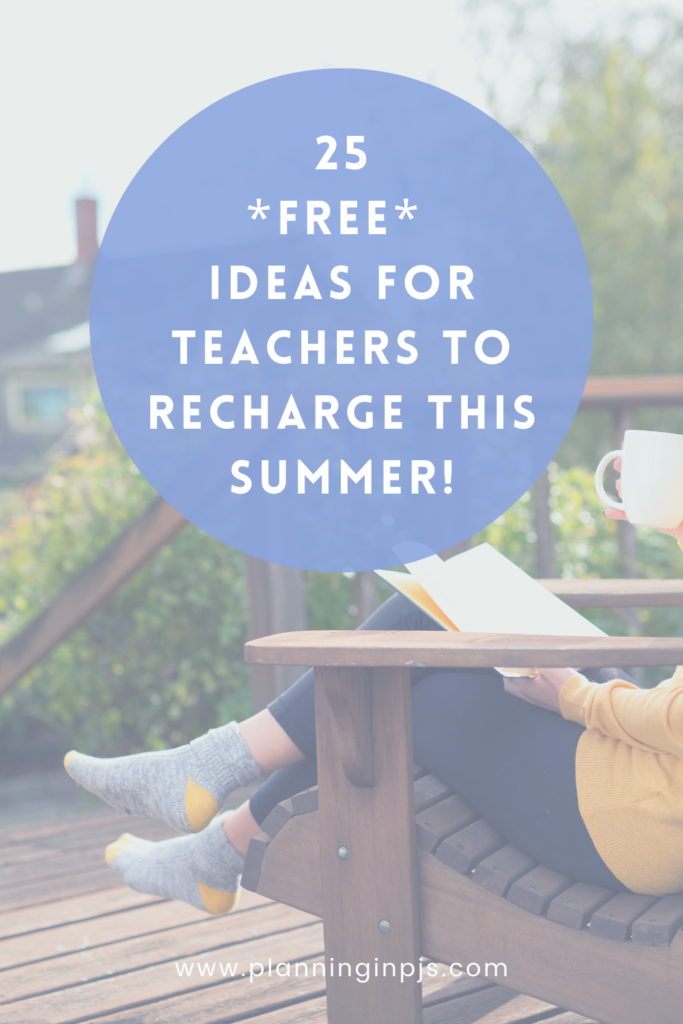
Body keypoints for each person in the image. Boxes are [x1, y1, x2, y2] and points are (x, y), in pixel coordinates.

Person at [64, 468, 683, 914]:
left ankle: (211, 798)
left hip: (636, 815)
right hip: (649, 772)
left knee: (403, 685)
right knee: (445, 606)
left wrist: (576, 697)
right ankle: (216, 822)